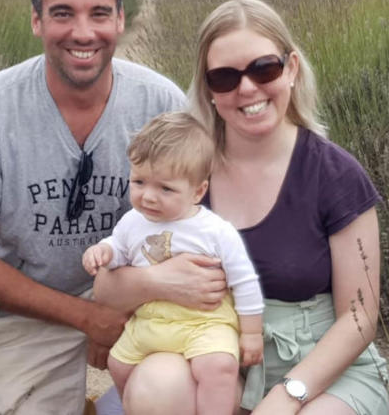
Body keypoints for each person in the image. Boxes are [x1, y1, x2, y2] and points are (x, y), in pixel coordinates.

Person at [93, 0, 388, 415]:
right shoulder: (184, 175)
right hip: (214, 352)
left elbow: (359, 318)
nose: (247, 88)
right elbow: (105, 289)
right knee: (156, 385)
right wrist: (160, 281)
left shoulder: (335, 175)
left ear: (292, 69)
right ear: (209, 90)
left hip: (324, 371)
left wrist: (287, 396)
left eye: (264, 68)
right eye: (225, 77)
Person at [0, 0, 189, 414]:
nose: (82, 32)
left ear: (120, 19)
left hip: (136, 299)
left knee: (180, 392)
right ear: (37, 21)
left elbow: (196, 224)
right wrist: (88, 317)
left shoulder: (160, 104)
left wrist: (125, 302)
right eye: (62, 13)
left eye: (98, 13)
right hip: (16, 317)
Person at [82, 111, 264, 415]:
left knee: (219, 367)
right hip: (151, 320)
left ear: (198, 191)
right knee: (117, 362)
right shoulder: (132, 222)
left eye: (165, 188)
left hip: (204, 322)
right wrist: (103, 251)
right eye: (139, 182)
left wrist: (251, 332)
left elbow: (244, 281)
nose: (149, 197)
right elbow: (119, 247)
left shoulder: (215, 231)